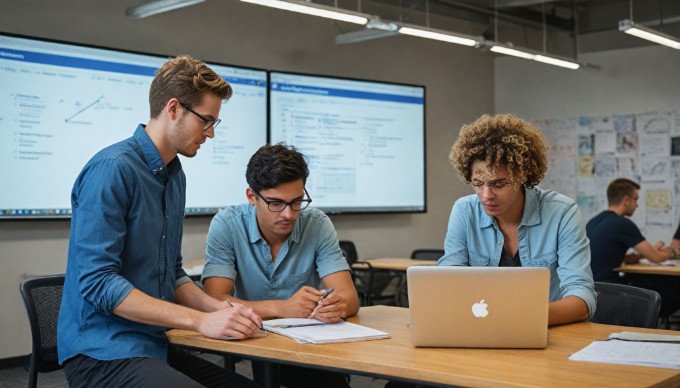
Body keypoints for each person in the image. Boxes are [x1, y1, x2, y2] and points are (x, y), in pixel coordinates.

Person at [57, 55, 263, 388]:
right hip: (100, 353)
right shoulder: (112, 170)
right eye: (205, 121)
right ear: (173, 109)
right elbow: (99, 283)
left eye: (214, 124)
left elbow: (173, 275)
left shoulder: (174, 176)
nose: (210, 134)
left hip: (151, 344)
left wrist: (221, 310)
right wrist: (199, 321)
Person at [201, 142, 359, 387]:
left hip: (310, 344)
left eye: (297, 202)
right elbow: (214, 302)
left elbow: (349, 297)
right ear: (251, 196)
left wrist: (337, 306)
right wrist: (283, 308)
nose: (289, 214)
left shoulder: (316, 224)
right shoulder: (227, 225)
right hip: (255, 340)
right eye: (276, 203)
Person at [440, 113, 596, 326]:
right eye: (478, 183)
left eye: (499, 184)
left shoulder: (562, 212)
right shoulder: (464, 211)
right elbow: (448, 284)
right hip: (481, 329)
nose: (486, 195)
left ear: (522, 176)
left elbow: (582, 299)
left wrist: (518, 318)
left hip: (546, 332)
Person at [587, 178, 680, 318]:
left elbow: (617, 257)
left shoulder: (593, 222)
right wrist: (672, 250)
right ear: (626, 200)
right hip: (611, 290)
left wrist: (645, 253)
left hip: (592, 289)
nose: (637, 205)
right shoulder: (622, 224)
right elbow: (656, 258)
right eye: (635, 199)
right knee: (673, 287)